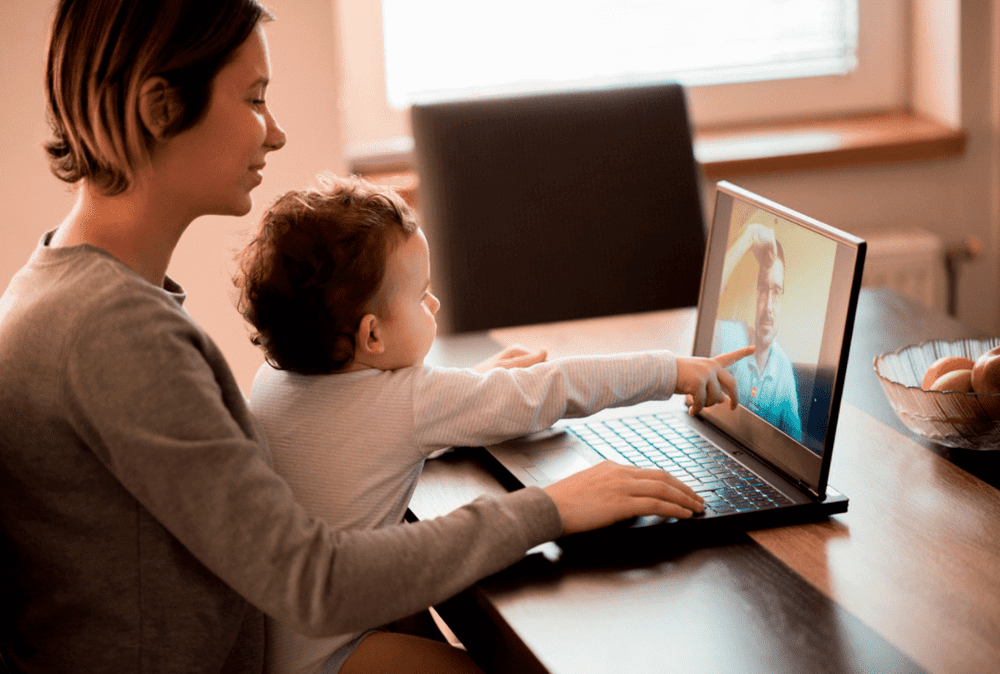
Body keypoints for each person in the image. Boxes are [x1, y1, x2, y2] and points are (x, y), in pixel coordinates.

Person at [0, 2, 738, 672]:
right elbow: (311, 582)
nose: (277, 130)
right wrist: (551, 508)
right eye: (254, 99)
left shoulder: (70, 293)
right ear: (161, 108)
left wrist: (458, 406)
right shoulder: (115, 335)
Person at [237, 174, 756, 674]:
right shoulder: (411, 403)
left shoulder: (273, 381)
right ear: (372, 336)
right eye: (421, 297)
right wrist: (671, 370)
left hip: (278, 644)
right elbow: (549, 389)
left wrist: (470, 389)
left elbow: (365, 435)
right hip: (341, 653)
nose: (433, 303)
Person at [716, 222, 802, 440]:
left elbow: (797, 445)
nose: (769, 307)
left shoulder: (784, 370)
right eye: (763, 289)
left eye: (777, 292)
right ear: (755, 295)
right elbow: (706, 304)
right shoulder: (731, 336)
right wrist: (748, 237)